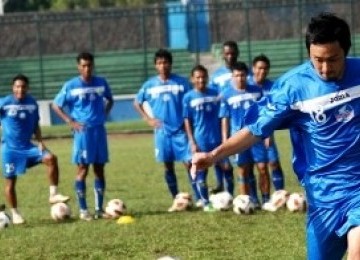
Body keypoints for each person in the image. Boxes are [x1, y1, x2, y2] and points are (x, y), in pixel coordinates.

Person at [192, 12, 360, 259]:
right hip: (322, 193)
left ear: (346, 50)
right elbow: (255, 130)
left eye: (333, 59)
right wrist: (214, 155)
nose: (325, 68)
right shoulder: (293, 87)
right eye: (317, 60)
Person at [133, 48, 198, 211]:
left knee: (190, 164)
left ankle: (199, 196)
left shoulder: (182, 83)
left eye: (166, 62)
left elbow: (192, 100)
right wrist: (148, 119)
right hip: (162, 132)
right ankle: (176, 198)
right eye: (160, 63)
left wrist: (188, 121)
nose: (163, 66)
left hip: (180, 130)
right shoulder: (149, 85)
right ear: (156, 65)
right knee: (168, 166)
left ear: (171, 64)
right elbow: (136, 102)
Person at [0, 74, 70, 224]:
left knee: (51, 158)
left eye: (23, 86)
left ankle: (53, 194)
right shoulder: (4, 103)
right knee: (10, 182)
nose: (20, 89)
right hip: (10, 150)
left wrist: (40, 141)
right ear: (13, 88)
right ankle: (15, 213)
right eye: (17, 86)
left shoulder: (32, 103)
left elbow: (35, 124)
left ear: (27, 88)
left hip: (28, 147)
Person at [52, 52, 114, 221]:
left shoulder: (101, 83)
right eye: (83, 66)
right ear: (78, 67)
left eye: (89, 65)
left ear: (93, 66)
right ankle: (84, 210)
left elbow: (110, 99)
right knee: (83, 169)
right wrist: (70, 121)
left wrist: (104, 114)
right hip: (83, 132)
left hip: (99, 130)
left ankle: (99, 209)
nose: (87, 69)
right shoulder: (71, 85)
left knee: (99, 169)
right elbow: (56, 105)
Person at [183, 65, 233, 212]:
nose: (201, 80)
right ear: (192, 79)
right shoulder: (188, 97)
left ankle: (228, 198)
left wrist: (225, 138)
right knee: (201, 172)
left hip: (217, 140)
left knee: (227, 169)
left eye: (203, 77)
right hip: (201, 141)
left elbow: (223, 116)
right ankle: (205, 203)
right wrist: (192, 142)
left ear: (207, 78)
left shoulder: (216, 94)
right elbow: (187, 121)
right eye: (197, 77)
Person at [219, 62, 270, 207]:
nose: (240, 78)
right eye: (237, 75)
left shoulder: (256, 91)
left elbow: (265, 115)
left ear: (247, 76)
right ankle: (246, 202)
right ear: (232, 77)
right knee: (243, 170)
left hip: (257, 136)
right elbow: (224, 119)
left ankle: (265, 200)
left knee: (262, 167)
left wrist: (268, 135)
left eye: (242, 75)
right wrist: (225, 141)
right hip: (238, 139)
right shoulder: (226, 94)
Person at [248, 54, 285, 191]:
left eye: (265, 69)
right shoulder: (247, 86)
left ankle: (280, 194)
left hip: (268, 132)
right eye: (259, 68)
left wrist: (269, 132)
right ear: (253, 68)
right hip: (249, 133)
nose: (262, 71)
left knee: (274, 163)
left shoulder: (273, 87)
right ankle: (258, 199)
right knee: (257, 167)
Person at [208, 40, 239, 193]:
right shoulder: (216, 76)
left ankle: (240, 191)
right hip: (220, 120)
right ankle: (221, 185)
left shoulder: (242, 72)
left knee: (239, 158)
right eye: (227, 53)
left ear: (237, 54)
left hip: (238, 119)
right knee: (220, 153)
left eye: (233, 53)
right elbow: (212, 98)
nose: (230, 56)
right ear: (223, 55)